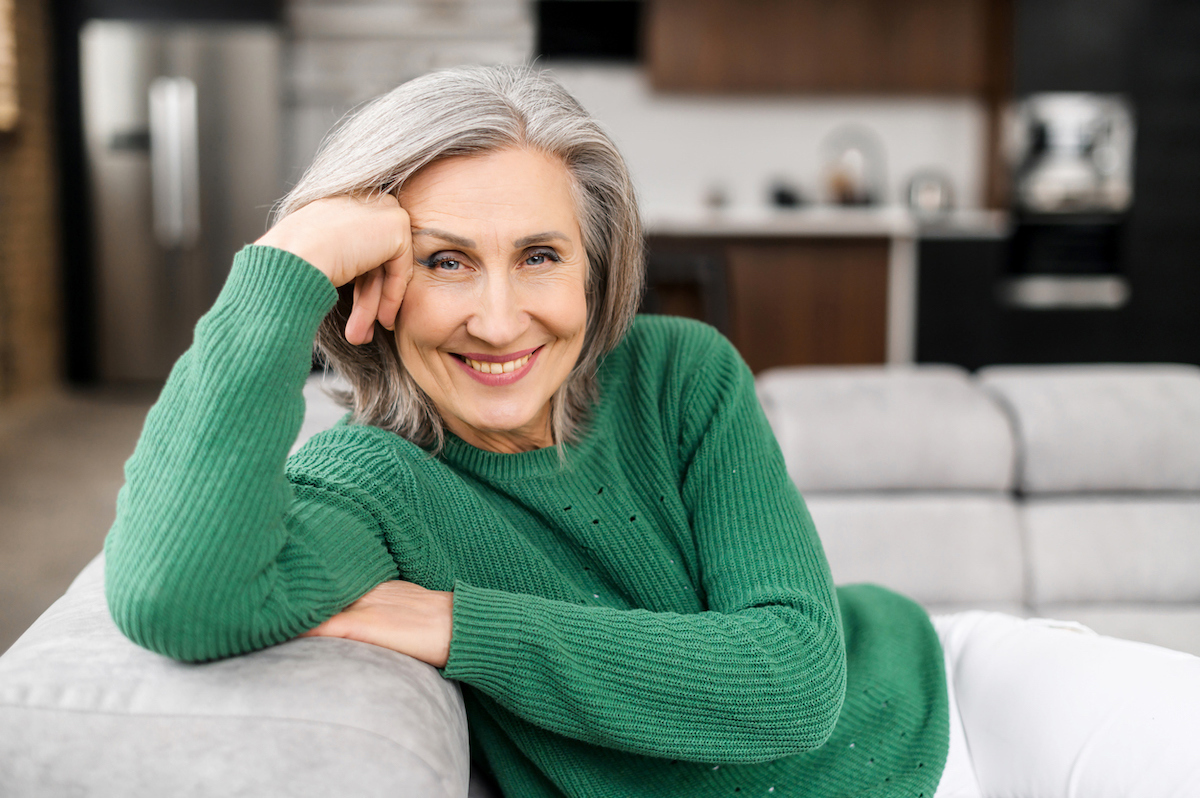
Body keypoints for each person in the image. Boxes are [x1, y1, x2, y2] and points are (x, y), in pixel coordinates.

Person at [104, 65, 1200, 798]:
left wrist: (458, 624)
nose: (499, 317)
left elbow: (793, 678)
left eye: (539, 255)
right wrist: (286, 263)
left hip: (962, 697)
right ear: (376, 290)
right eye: (446, 261)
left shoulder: (679, 373)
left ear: (596, 271)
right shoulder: (367, 483)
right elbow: (174, 594)